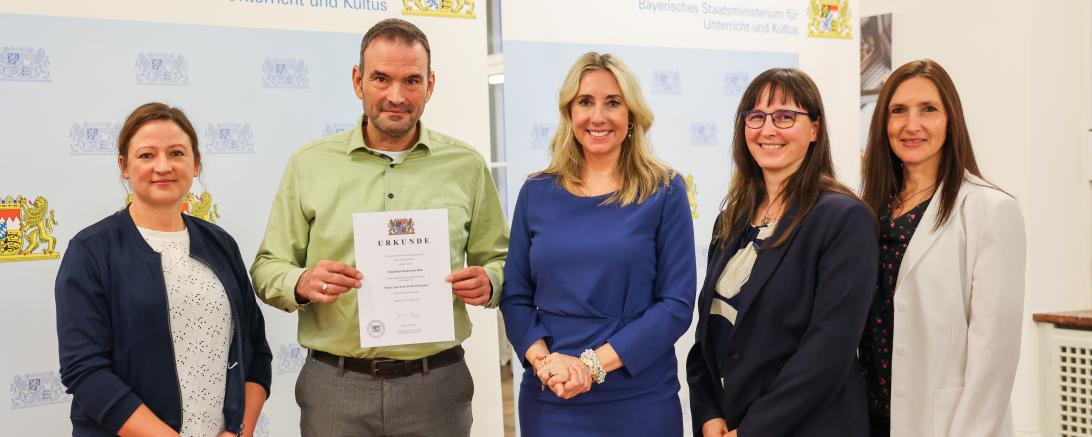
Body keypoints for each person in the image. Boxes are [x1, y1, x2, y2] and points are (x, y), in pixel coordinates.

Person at [250, 18, 508, 437]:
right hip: (336, 388)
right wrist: (302, 281)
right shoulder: (309, 164)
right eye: (381, 78)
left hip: (436, 389)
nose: (396, 95)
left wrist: (491, 281)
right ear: (358, 80)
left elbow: (501, 259)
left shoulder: (467, 166)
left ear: (430, 85)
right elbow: (267, 267)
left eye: (411, 81)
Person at [500, 52, 696, 437]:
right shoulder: (536, 191)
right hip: (551, 395)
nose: (598, 116)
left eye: (613, 102)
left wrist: (590, 366)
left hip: (637, 396)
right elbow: (516, 297)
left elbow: (676, 305)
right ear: (569, 113)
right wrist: (546, 365)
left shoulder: (664, 190)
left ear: (632, 114)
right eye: (585, 102)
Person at [55, 102, 272, 437]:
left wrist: (239, 430)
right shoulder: (92, 250)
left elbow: (255, 350)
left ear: (196, 164)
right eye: (146, 155)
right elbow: (85, 371)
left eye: (176, 153)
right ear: (123, 166)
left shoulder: (221, 244)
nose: (163, 166)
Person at [686, 68, 878, 437]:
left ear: (815, 130)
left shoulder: (843, 219)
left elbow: (829, 350)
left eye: (785, 116)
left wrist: (752, 430)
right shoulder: (732, 219)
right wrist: (709, 417)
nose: (768, 129)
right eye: (755, 117)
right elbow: (706, 336)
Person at [858, 59, 1026, 437]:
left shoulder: (990, 210)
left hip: (943, 424)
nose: (911, 125)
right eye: (898, 111)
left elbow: (994, 354)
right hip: (866, 416)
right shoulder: (867, 210)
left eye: (928, 110)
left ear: (951, 121)